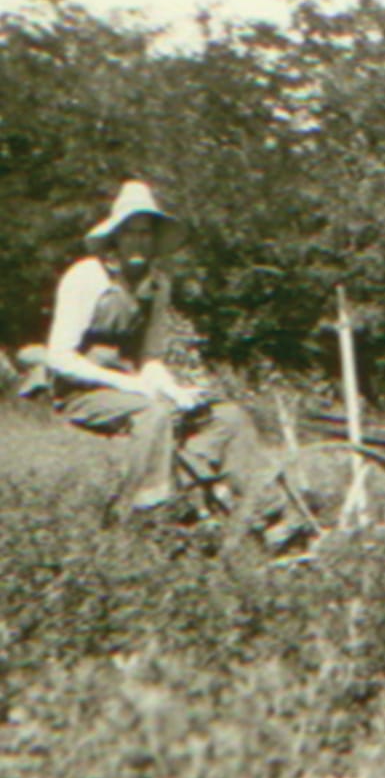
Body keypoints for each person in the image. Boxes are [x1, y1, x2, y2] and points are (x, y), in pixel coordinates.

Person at [45, 180, 284, 534]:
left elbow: (151, 358)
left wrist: (177, 392)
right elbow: (59, 357)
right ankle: (154, 510)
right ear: (115, 238)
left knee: (228, 416)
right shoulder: (86, 277)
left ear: (156, 241)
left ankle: (268, 517)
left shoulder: (157, 285)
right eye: (131, 233)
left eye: (146, 233)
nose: (139, 241)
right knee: (154, 412)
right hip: (82, 392)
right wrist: (133, 385)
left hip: (132, 386)